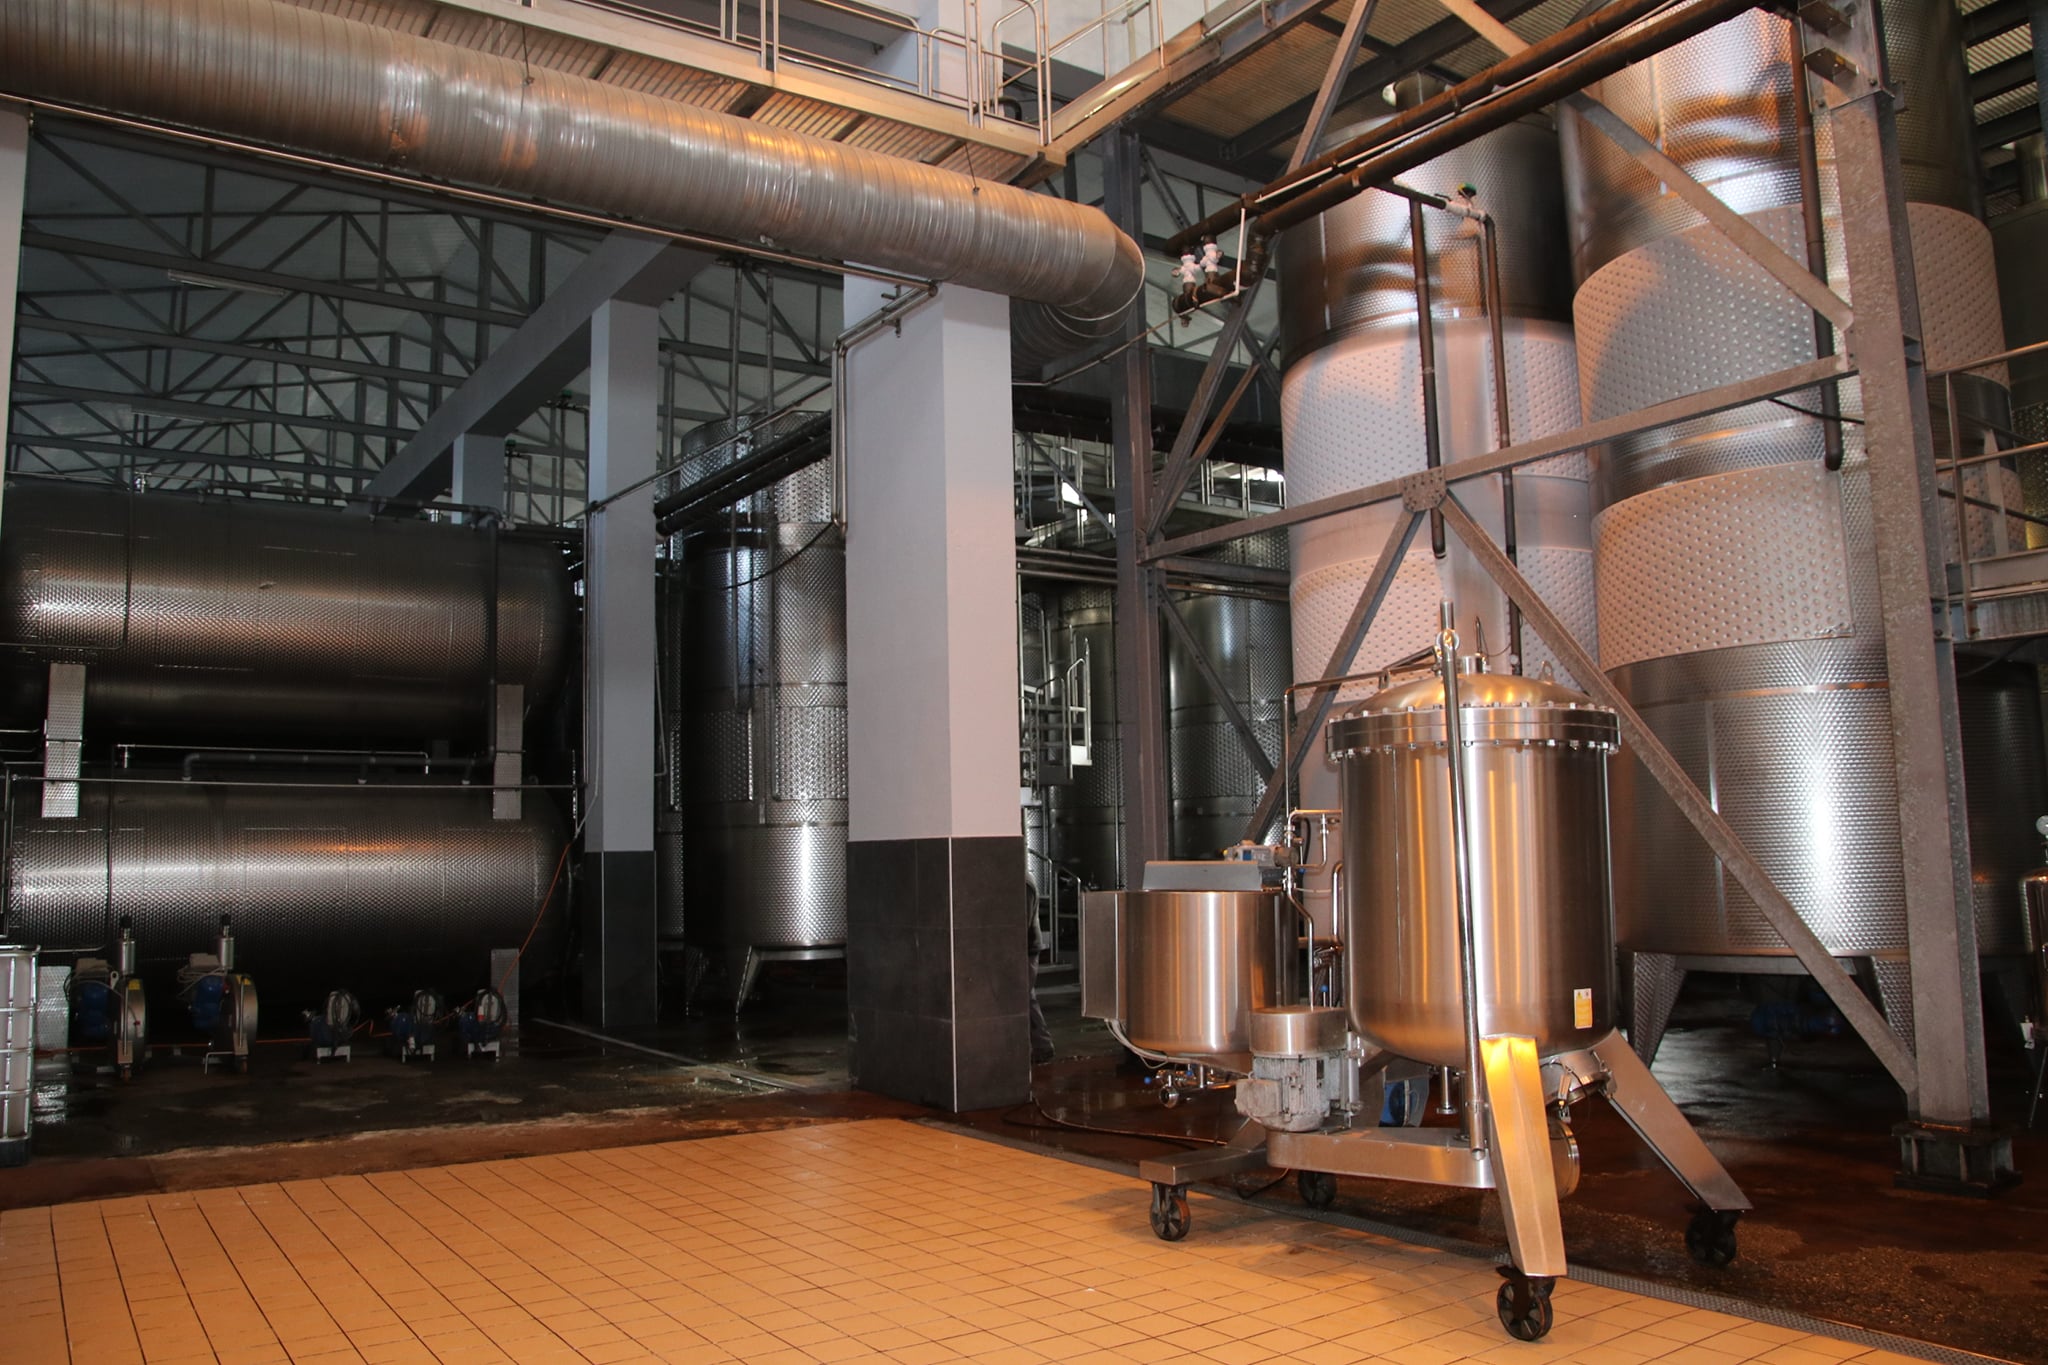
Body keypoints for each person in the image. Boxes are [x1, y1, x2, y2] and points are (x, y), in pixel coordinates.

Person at [1026, 882, 1054, 1065]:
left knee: (1025, 997)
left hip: (1026, 947)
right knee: (1027, 996)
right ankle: (1041, 1046)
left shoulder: (1023, 883)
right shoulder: (1023, 881)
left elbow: (1023, 919)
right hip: (1027, 946)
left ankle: (1042, 1046)